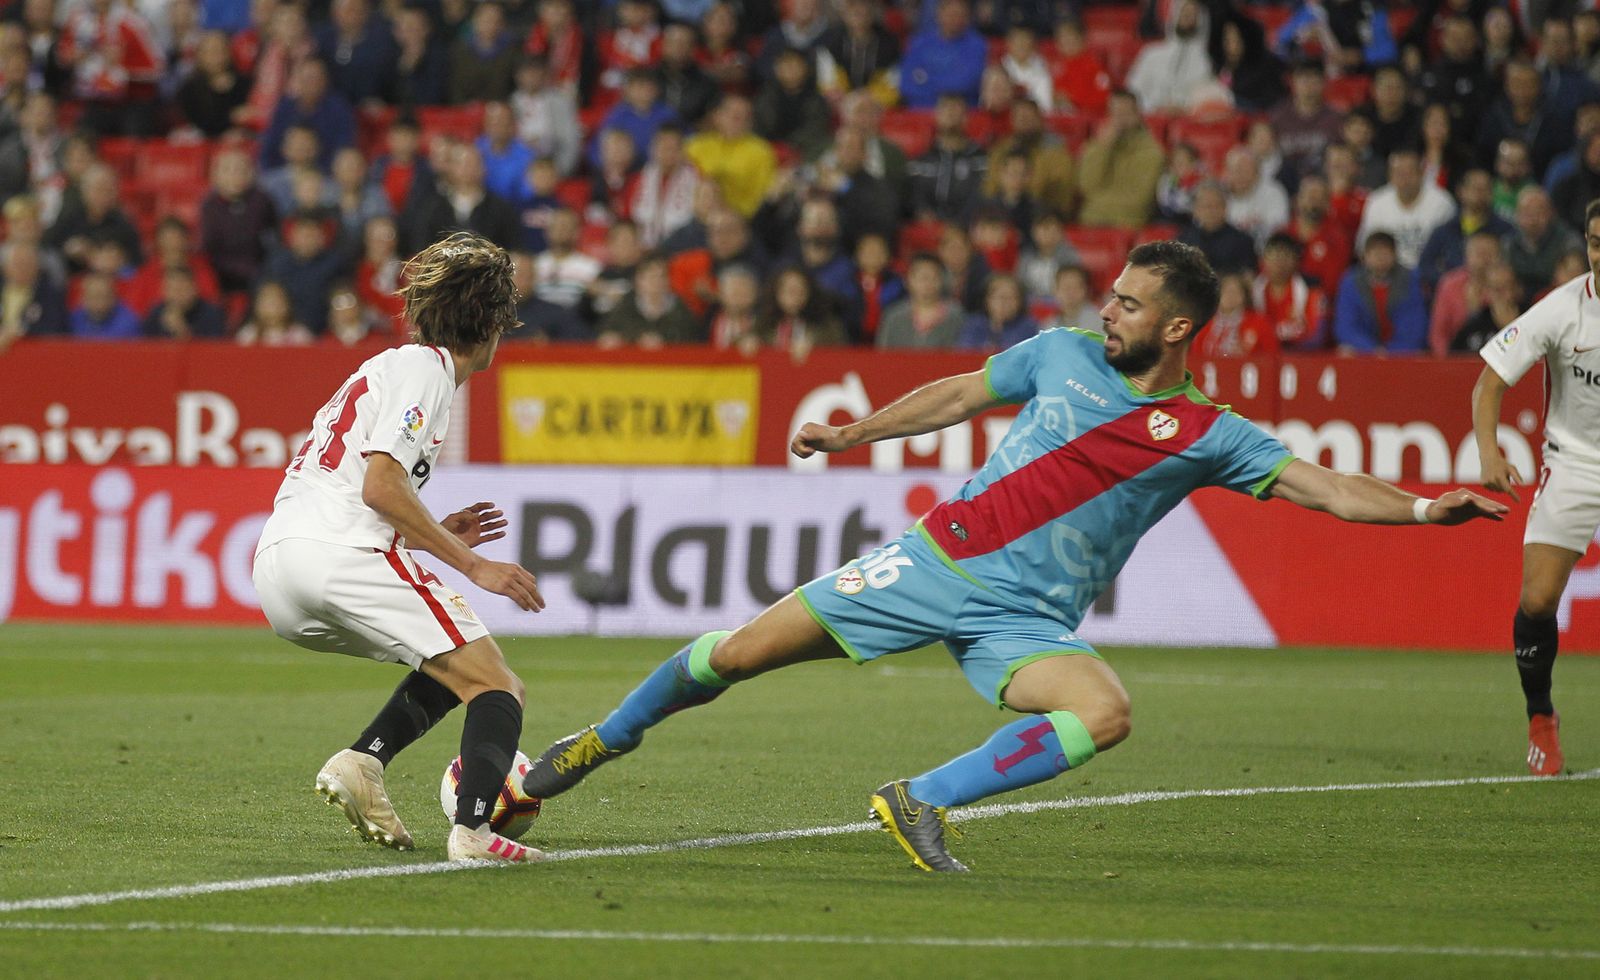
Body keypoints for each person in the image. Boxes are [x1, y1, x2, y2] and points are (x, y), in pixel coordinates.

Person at [518, 240, 1506, 873]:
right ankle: (596, 742)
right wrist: (852, 432)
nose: (1107, 311)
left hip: (1024, 621)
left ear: (1177, 328)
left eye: (1129, 304)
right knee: (735, 655)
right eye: (1111, 296)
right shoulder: (1059, 351)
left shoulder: (1209, 432)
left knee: (1104, 713)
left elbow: (1327, 486)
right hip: (933, 566)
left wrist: (1425, 508)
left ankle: (920, 799)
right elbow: (955, 395)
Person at [253, 232, 544, 863]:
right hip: (338, 555)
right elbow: (380, 487)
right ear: (492, 323)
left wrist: (436, 533)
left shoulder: (387, 368)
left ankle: (364, 762)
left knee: (448, 663)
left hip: (281, 567)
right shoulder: (427, 370)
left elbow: (362, 492)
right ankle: (474, 833)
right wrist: (474, 565)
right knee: (498, 685)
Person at [1470, 197, 1600, 777]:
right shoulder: (1564, 308)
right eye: (1595, 243)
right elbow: (1489, 383)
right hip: (1575, 465)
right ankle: (1541, 717)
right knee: (1539, 601)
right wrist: (1489, 451)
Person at [1076, 89, 1164, 229]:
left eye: (1125, 114)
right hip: (1091, 222)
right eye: (1115, 114)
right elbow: (1086, 187)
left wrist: (1098, 203)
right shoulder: (1096, 148)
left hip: (1128, 223)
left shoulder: (1152, 153)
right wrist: (1102, 148)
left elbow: (1140, 200)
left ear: (1138, 115)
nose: (1119, 121)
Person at [1332, 231, 1428, 353]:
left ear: (1395, 255)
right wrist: (1372, 349)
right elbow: (1345, 327)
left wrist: (1389, 352)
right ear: (1364, 256)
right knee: (1345, 350)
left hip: (1401, 351)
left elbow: (1414, 326)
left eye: (1385, 253)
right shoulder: (1351, 282)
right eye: (1375, 253)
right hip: (1365, 349)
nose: (1380, 258)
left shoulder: (1409, 280)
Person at [958, 273, 1035, 351]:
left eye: (1011, 297)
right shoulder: (974, 324)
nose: (1005, 303)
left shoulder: (1028, 327)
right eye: (1000, 297)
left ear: (1020, 302)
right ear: (987, 300)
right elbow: (964, 351)